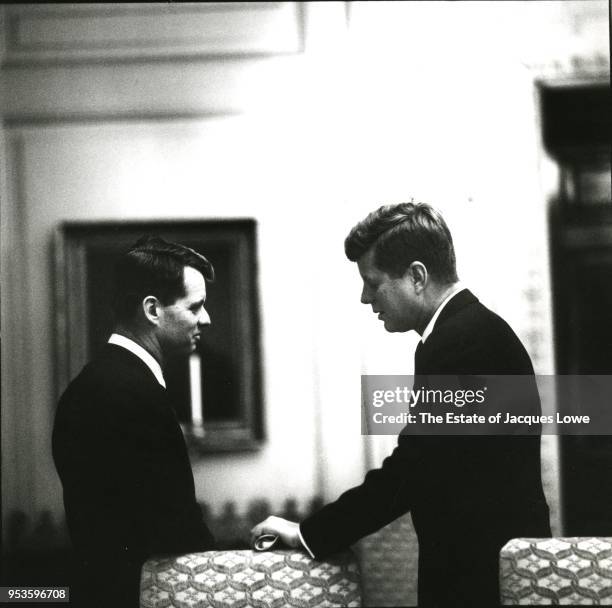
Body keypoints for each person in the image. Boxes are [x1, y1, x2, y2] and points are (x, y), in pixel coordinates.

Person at [251, 202, 551, 607]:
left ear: (416, 276)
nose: (363, 297)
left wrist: (310, 533)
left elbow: (411, 471)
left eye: (372, 282)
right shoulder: (468, 332)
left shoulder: (460, 344)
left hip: (482, 580)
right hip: (487, 571)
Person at [52, 236, 216, 608]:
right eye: (196, 307)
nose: (206, 318)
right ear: (153, 310)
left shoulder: (95, 383)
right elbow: (175, 530)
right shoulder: (133, 396)